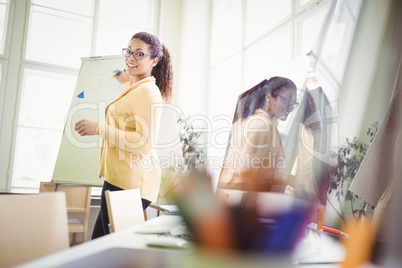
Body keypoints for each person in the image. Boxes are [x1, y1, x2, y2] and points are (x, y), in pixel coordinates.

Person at [74, 31, 173, 239]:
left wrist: (98, 128)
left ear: (154, 60)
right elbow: (130, 112)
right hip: (121, 178)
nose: (130, 57)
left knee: (105, 247)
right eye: (128, 51)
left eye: (138, 54)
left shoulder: (148, 92)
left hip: (130, 184)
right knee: (101, 244)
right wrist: (126, 80)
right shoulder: (137, 88)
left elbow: (144, 143)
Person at [217, 76, 298, 191]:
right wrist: (288, 178)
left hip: (229, 193)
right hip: (240, 197)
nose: (291, 106)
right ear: (268, 97)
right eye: (287, 100)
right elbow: (245, 171)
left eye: (294, 102)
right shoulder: (263, 125)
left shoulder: (250, 119)